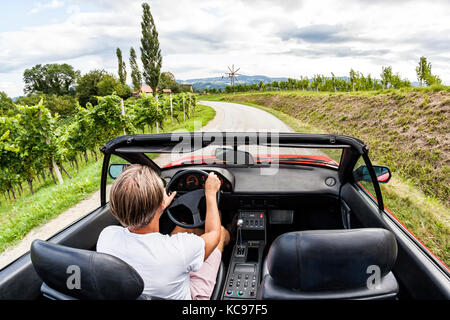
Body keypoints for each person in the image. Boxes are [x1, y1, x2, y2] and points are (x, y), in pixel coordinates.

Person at [96, 164, 230, 300]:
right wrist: (210, 193)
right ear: (161, 203)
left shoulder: (106, 236)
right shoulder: (180, 249)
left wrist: (159, 206)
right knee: (222, 232)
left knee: (183, 226)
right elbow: (213, 232)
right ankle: (232, 232)